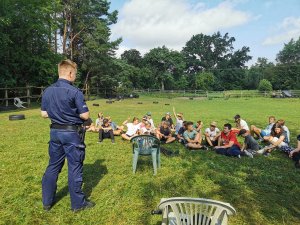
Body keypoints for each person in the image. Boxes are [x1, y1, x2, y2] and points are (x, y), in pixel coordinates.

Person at [41, 59, 94, 212]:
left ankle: (47, 202)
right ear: (70, 73)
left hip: (55, 133)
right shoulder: (74, 91)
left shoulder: (48, 90)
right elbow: (85, 115)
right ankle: (78, 204)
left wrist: (58, 114)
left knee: (53, 165)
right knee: (74, 167)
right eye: (75, 74)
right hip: (71, 134)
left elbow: (44, 114)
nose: (75, 77)